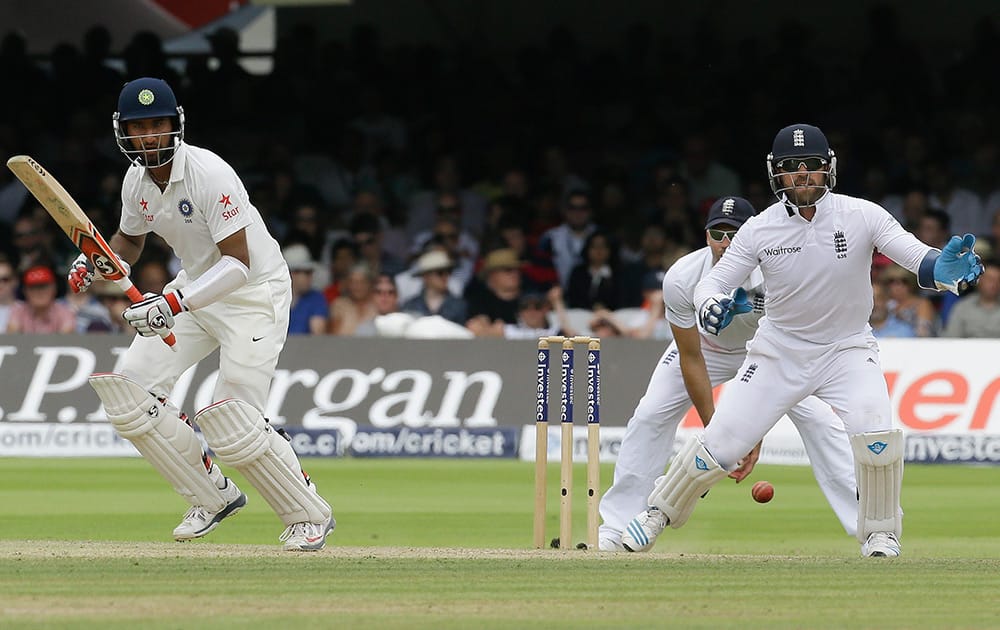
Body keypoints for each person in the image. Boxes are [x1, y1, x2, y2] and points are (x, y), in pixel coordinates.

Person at [622, 124, 983, 558]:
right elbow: (715, 281)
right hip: (780, 351)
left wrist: (939, 269)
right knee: (722, 443)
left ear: (828, 168)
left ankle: (881, 533)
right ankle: (656, 513)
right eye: (792, 169)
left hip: (847, 349)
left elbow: (913, 254)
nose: (803, 176)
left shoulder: (862, 215)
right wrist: (710, 303)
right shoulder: (759, 229)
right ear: (777, 174)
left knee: (878, 438)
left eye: (811, 166)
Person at [67, 78, 334, 550]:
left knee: (230, 417)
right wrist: (97, 264)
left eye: (157, 125)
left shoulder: (210, 174)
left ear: (176, 125)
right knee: (129, 394)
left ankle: (307, 511)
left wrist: (170, 302)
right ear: (123, 132)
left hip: (253, 294)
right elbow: (128, 242)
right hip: (194, 287)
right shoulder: (136, 182)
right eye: (138, 127)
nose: (148, 136)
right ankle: (211, 496)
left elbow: (238, 263)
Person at [599, 197, 858, 551]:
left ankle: (866, 526)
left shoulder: (781, 270)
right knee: (649, 415)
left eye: (736, 234)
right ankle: (614, 530)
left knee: (819, 421)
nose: (727, 243)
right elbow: (690, 357)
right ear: (706, 236)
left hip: (775, 351)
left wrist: (754, 430)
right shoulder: (682, 277)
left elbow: (786, 345)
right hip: (706, 350)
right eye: (718, 234)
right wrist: (722, 438)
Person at [6, 265, 76, 334]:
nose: (39, 292)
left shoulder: (65, 312)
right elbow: (12, 338)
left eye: (44, 287)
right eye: (33, 287)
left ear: (54, 288)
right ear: (25, 291)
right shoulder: (18, 312)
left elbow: (64, 341)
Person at [942, 261, 1000, 338]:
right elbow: (951, 339)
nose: (994, 284)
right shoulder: (962, 307)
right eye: (989, 279)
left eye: (998, 280)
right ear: (979, 280)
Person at [284, 244, 328, 335]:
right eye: (307, 272)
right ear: (291, 273)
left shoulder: (316, 298)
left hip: (305, 348)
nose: (311, 276)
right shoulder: (272, 298)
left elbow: (317, 335)